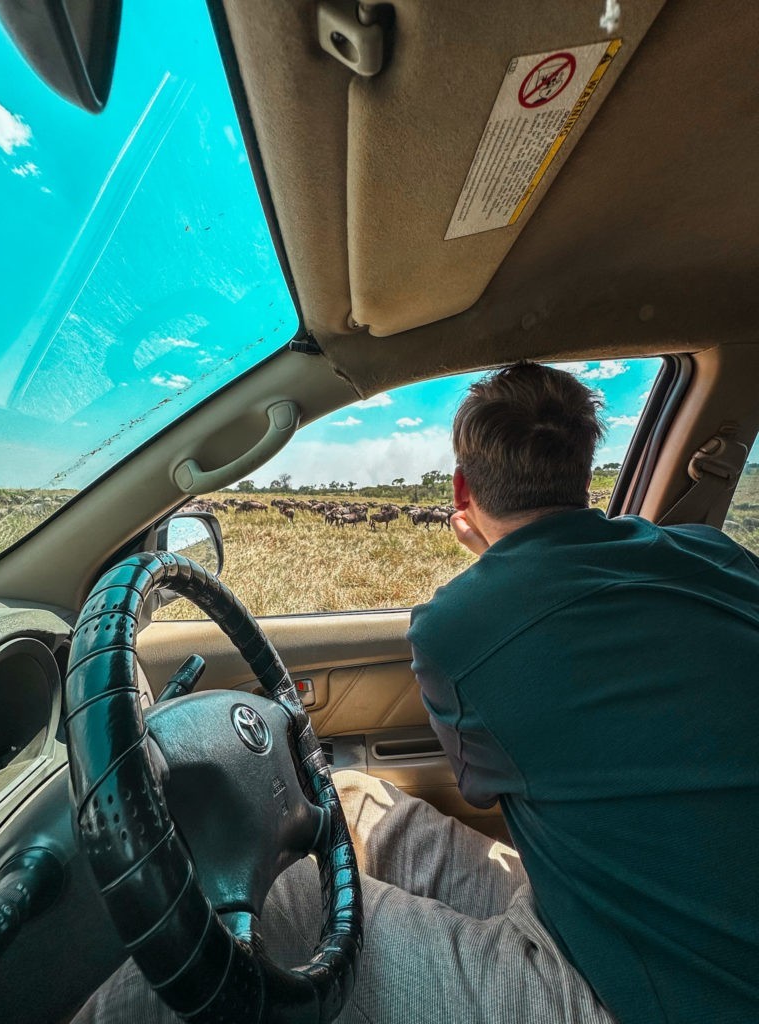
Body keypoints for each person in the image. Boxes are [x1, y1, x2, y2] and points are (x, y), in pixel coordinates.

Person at [75, 362, 759, 1024]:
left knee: (281, 901)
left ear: (461, 490)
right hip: (614, 907)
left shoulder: (459, 624)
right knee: (343, 798)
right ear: (584, 473)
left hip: (649, 992)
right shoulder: (716, 556)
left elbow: (481, 786)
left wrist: (492, 560)